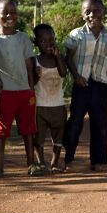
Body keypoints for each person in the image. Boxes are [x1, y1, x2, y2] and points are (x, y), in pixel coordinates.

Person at [0, 0, 44, 177]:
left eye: (13, 12)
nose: (10, 16)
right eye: (5, 13)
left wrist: (31, 87)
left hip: (25, 92)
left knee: (28, 129)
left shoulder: (23, 37)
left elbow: (29, 64)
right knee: (1, 130)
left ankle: (31, 163)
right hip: (5, 93)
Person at [64, 0, 107, 173]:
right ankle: (68, 159)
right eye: (87, 12)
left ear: (103, 12)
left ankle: (98, 161)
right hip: (81, 85)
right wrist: (76, 76)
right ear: (82, 14)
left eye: (96, 11)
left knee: (100, 124)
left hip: (100, 85)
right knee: (75, 122)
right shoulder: (76, 35)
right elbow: (68, 58)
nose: (92, 15)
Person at [32, 23, 68, 172]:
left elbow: (63, 73)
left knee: (58, 136)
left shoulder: (59, 58)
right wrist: (36, 74)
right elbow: (32, 82)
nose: (48, 44)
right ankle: (41, 162)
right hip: (40, 105)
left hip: (58, 104)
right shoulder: (34, 60)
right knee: (38, 136)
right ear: (36, 43)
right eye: (43, 41)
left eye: (51, 40)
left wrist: (58, 57)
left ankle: (54, 162)